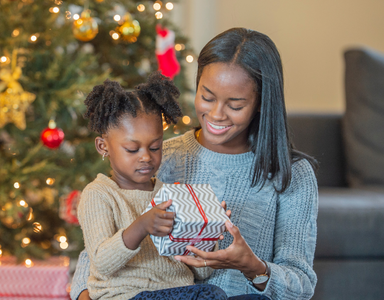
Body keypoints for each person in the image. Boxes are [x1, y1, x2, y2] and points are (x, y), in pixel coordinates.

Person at [71, 27, 318, 300]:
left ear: (261, 102)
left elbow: (301, 287)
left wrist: (252, 267)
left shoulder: (291, 174)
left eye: (235, 105)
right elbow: (95, 254)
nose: (215, 114)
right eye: (207, 97)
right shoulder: (159, 157)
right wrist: (85, 294)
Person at [79, 72, 230, 300]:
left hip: (179, 291)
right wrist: (141, 226)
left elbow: (203, 271)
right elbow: (101, 263)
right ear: (103, 146)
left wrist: (206, 233)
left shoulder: (169, 193)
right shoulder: (99, 194)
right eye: (132, 149)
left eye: (155, 147)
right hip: (127, 295)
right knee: (211, 295)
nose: (146, 157)